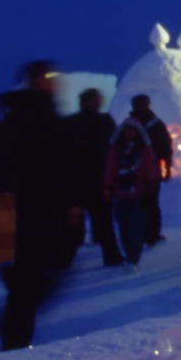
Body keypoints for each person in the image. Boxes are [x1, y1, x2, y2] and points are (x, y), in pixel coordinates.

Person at [0, 60, 73, 351]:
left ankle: (15, 335)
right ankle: (15, 341)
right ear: (35, 80)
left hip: (37, 208)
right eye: (50, 76)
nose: (56, 81)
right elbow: (50, 164)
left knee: (30, 281)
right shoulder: (29, 117)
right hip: (32, 209)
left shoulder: (38, 113)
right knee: (29, 280)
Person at [64, 89, 123, 266]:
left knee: (100, 221)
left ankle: (65, 258)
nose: (98, 102)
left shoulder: (101, 121)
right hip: (85, 181)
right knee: (84, 222)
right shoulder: (78, 123)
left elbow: (114, 148)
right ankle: (65, 258)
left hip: (92, 180)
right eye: (96, 99)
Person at [103, 117, 160, 270]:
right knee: (124, 228)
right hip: (121, 195)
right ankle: (129, 253)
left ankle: (133, 258)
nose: (129, 134)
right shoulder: (115, 151)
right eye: (126, 131)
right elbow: (109, 170)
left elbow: (151, 169)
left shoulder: (143, 150)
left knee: (136, 228)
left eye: (132, 131)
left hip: (139, 195)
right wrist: (108, 188)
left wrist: (150, 187)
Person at [125, 95, 173, 247]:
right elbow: (166, 147)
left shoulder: (129, 124)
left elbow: (166, 147)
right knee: (150, 202)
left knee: (142, 202)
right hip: (147, 169)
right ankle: (150, 234)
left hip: (137, 169)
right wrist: (167, 167)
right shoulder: (155, 124)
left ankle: (144, 234)